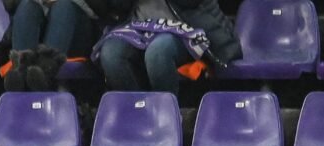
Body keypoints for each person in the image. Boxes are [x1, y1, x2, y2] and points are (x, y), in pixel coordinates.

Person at [90, 0, 242, 94]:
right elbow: (117, 6)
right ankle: (138, 117)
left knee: (158, 52)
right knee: (111, 55)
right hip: (141, 25)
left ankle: (167, 120)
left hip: (188, 28)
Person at [4, 0, 98, 91]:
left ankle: (45, 75)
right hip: (40, 19)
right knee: (27, 7)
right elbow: (9, 4)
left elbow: (104, 9)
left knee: (63, 7)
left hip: (78, 27)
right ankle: (20, 73)